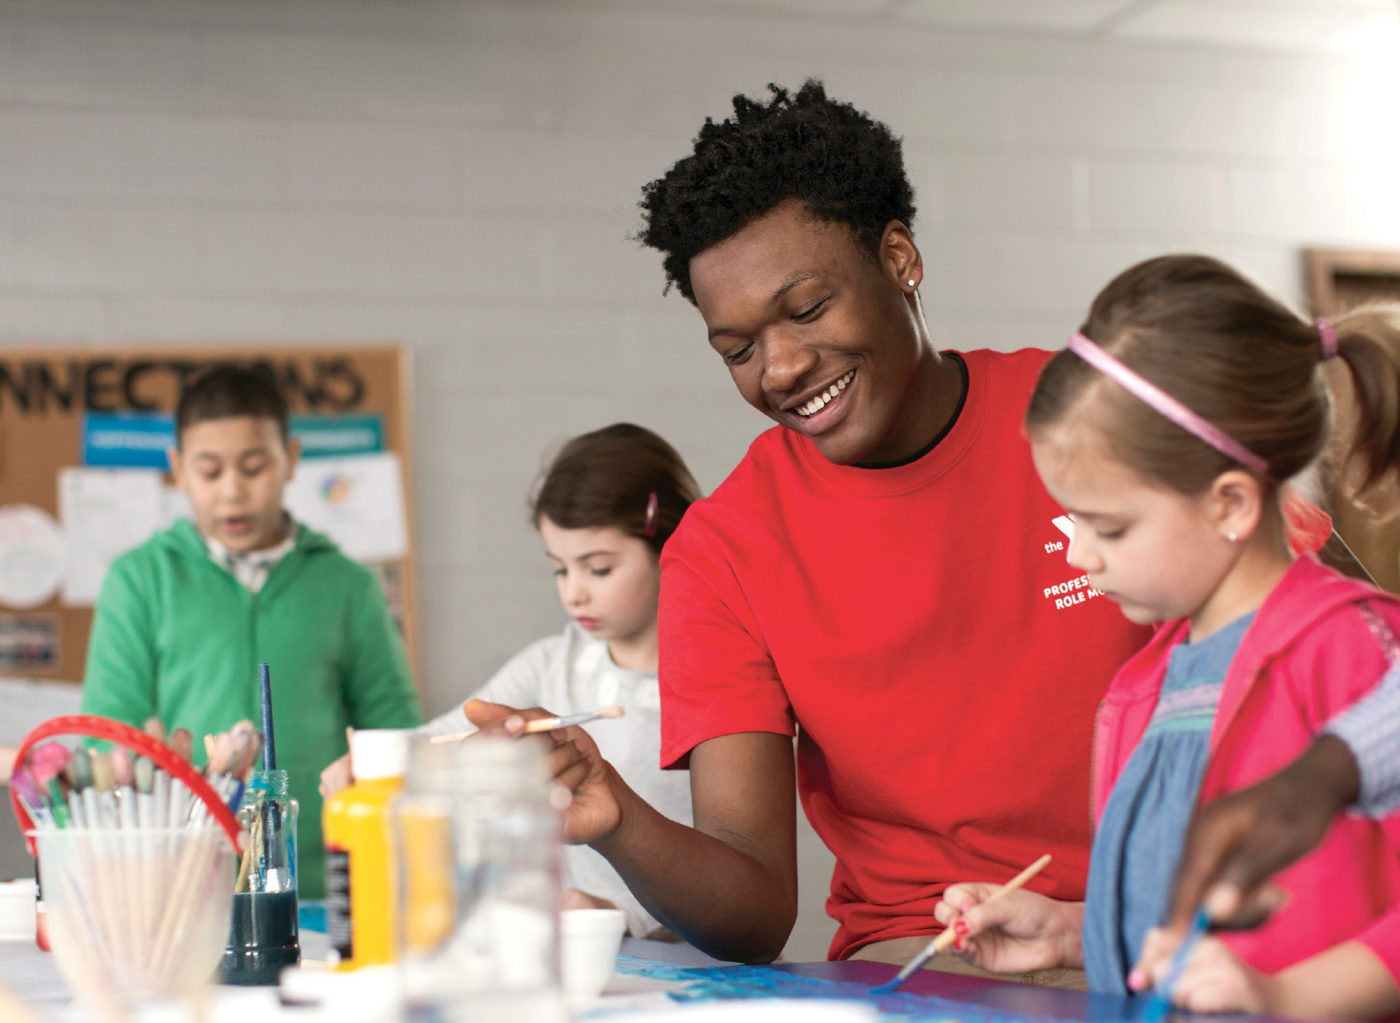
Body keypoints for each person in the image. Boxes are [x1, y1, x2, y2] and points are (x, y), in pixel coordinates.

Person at [469, 80, 1149, 972]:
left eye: (806, 309)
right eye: (738, 349)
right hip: (936, 955)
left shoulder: (1095, 415)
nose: (781, 368)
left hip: (1179, 919)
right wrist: (616, 817)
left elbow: (1340, 640)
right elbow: (752, 909)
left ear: (899, 257)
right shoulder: (725, 550)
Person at [937, 255, 1400, 1019]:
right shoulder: (1151, 680)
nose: (1079, 556)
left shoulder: (1351, 651)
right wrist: (1074, 933)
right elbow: (1187, 930)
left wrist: (1285, 997)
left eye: (1108, 526)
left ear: (1229, 504)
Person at [321, 422, 700, 939]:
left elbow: (730, 865)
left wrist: (623, 915)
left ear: (668, 544)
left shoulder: (716, 677)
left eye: (599, 569)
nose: (575, 595)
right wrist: (374, 763)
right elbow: (448, 735)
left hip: (693, 956)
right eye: (560, 570)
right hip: (588, 951)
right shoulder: (552, 663)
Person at [81, 364, 422, 899]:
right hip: (185, 884)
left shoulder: (347, 584)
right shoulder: (139, 581)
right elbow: (107, 738)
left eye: (255, 466)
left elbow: (395, 733)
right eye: (210, 472)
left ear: (291, 460)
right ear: (178, 469)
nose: (233, 492)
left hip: (325, 882)